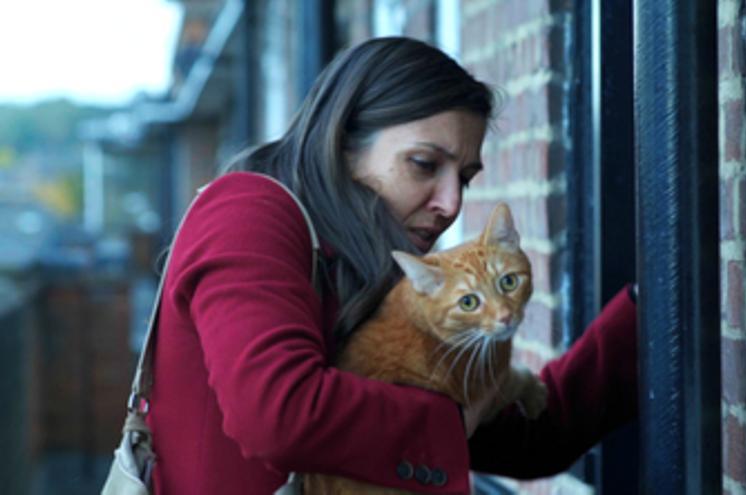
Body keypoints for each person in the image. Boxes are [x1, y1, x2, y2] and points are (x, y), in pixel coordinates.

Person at [147, 36, 637, 494]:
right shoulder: (249, 211)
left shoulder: (368, 270)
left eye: (464, 178)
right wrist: (457, 417)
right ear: (342, 142)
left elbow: (528, 436)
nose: (450, 203)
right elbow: (278, 415)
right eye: (424, 164)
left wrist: (651, 306)